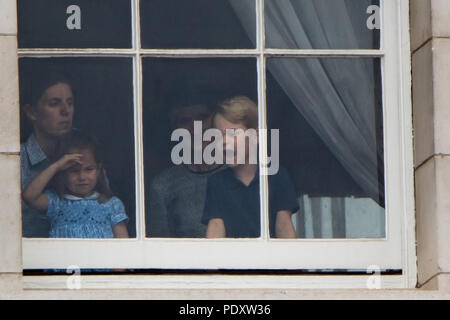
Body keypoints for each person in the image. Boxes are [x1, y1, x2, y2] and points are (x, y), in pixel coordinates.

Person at [202, 96, 298, 238]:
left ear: (255, 137)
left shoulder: (276, 176)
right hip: (233, 258)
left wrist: (291, 259)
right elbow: (216, 226)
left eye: (233, 133)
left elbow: (283, 224)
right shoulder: (217, 182)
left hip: (269, 258)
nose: (224, 141)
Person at [22, 131, 129, 239]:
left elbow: (123, 245)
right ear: (63, 174)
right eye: (74, 171)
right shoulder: (57, 202)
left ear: (98, 170)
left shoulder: (111, 204)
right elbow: (30, 196)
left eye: (88, 169)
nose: (82, 177)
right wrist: (56, 167)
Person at [146, 93, 224, 237]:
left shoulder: (238, 174)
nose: (196, 128)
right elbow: (158, 250)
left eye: (203, 117)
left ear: (217, 120)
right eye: (185, 121)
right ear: (174, 127)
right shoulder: (163, 186)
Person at [20, 72, 75, 237]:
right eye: (54, 103)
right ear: (31, 112)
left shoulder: (83, 153)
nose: (65, 111)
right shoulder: (16, 161)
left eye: (70, 103)